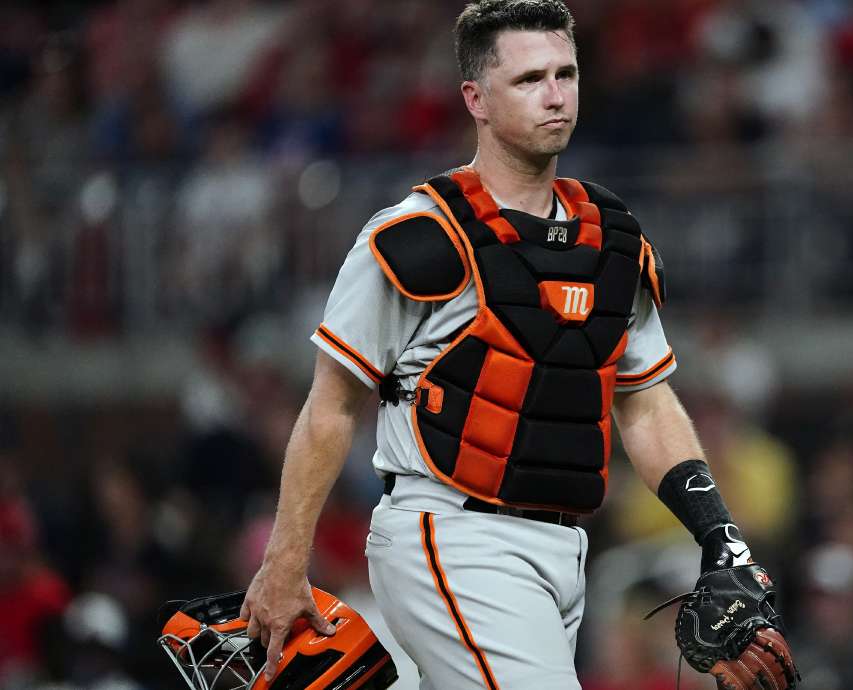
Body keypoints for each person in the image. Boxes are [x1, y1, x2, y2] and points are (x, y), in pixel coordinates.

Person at [238, 2, 795, 689]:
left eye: (566, 74)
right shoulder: (420, 233)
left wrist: (718, 534)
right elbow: (331, 406)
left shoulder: (612, 239)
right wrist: (284, 562)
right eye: (530, 79)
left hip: (563, 548)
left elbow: (646, 407)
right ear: (475, 98)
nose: (555, 95)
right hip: (450, 533)